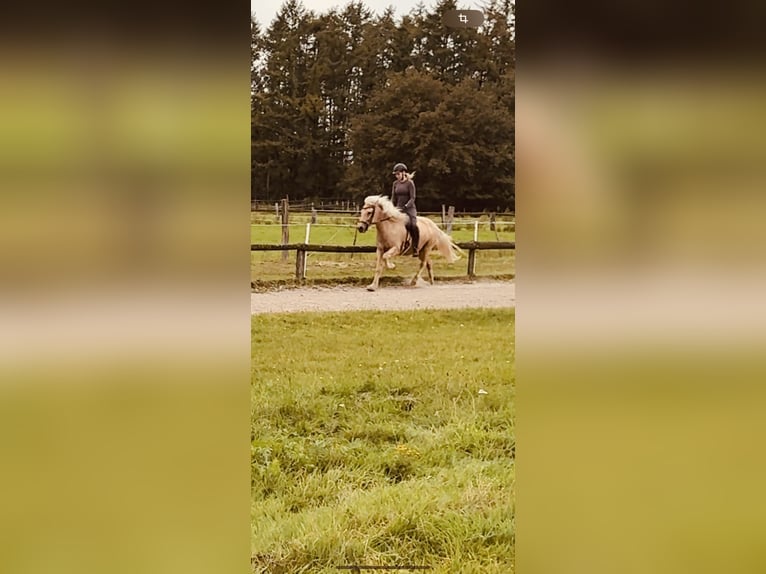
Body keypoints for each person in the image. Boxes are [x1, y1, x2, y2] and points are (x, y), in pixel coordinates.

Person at [391, 162, 420, 256]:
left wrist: (406, 206)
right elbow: (393, 198)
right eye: (396, 174)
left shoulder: (410, 183)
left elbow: (413, 198)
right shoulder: (395, 184)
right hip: (398, 208)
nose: (397, 176)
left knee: (412, 225)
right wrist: (391, 207)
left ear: (403, 173)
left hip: (409, 208)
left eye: (398, 174)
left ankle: (415, 247)